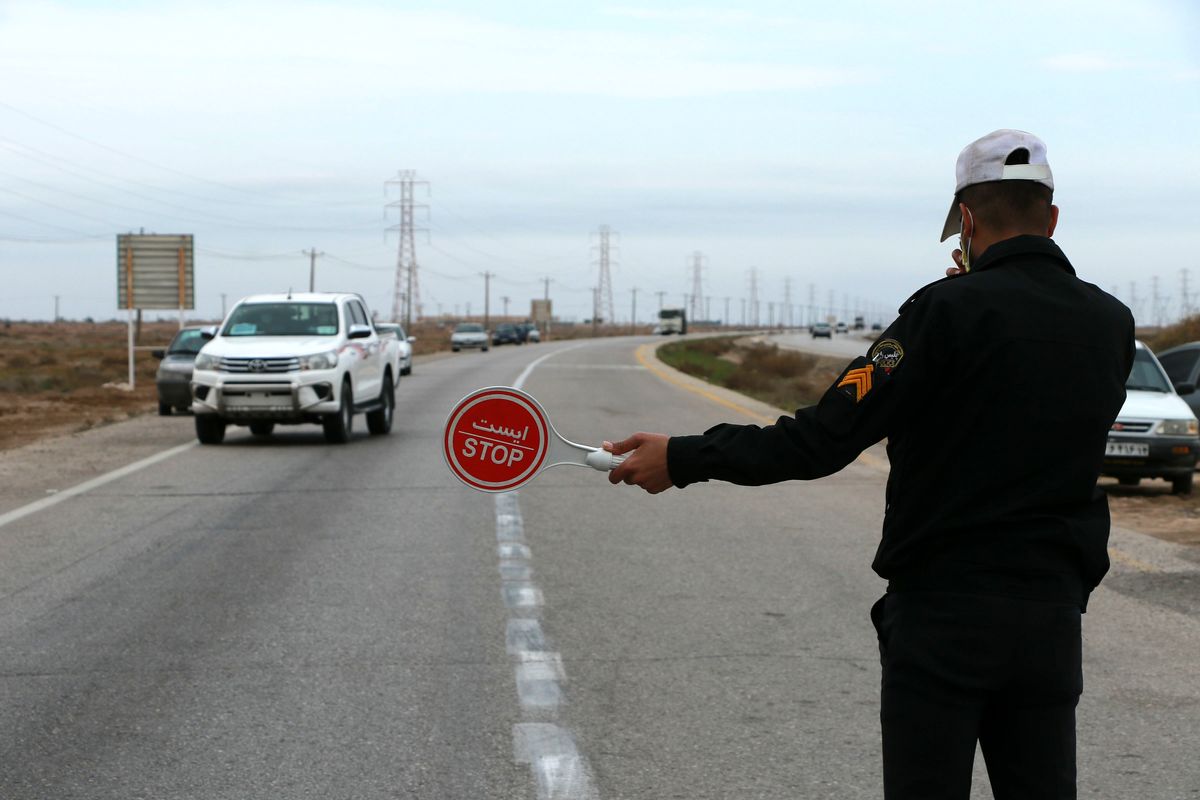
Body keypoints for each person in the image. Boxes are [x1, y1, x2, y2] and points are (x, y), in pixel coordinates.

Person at [604, 129, 1135, 800]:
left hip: (945, 617)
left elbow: (821, 439)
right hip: (1051, 621)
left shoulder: (939, 313)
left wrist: (682, 458)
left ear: (966, 221)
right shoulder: (1111, 323)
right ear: (1052, 217)